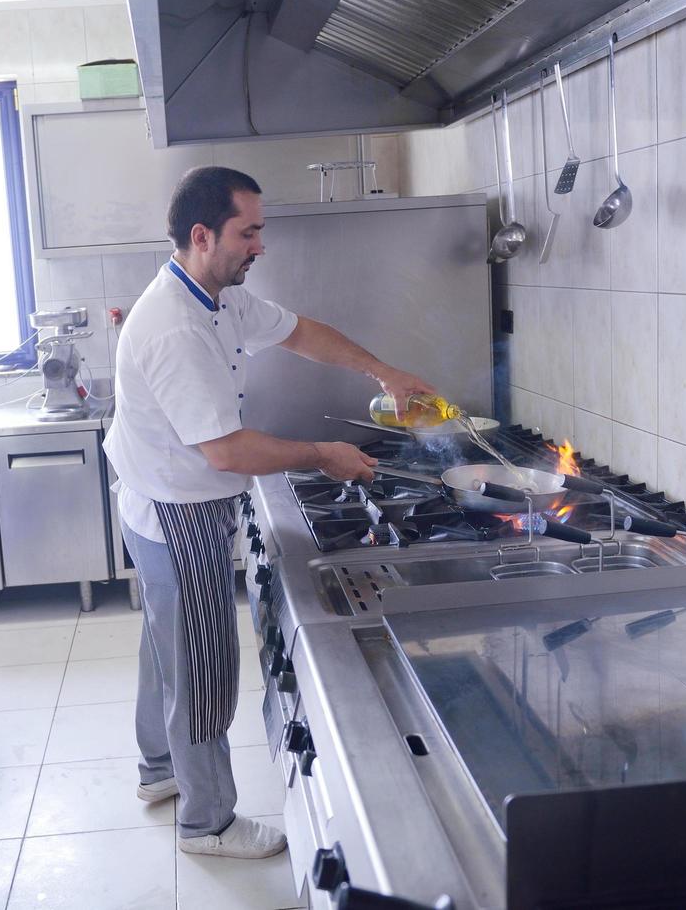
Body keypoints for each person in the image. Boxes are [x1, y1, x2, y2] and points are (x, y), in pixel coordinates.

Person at [103, 167, 436, 859]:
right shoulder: (174, 328)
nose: (260, 245)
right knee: (199, 660)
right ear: (202, 236)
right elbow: (225, 452)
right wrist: (321, 455)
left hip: (156, 492)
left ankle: (159, 770)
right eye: (247, 232)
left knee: (165, 642)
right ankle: (207, 823)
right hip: (176, 508)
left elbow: (300, 333)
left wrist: (385, 373)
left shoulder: (214, 295)